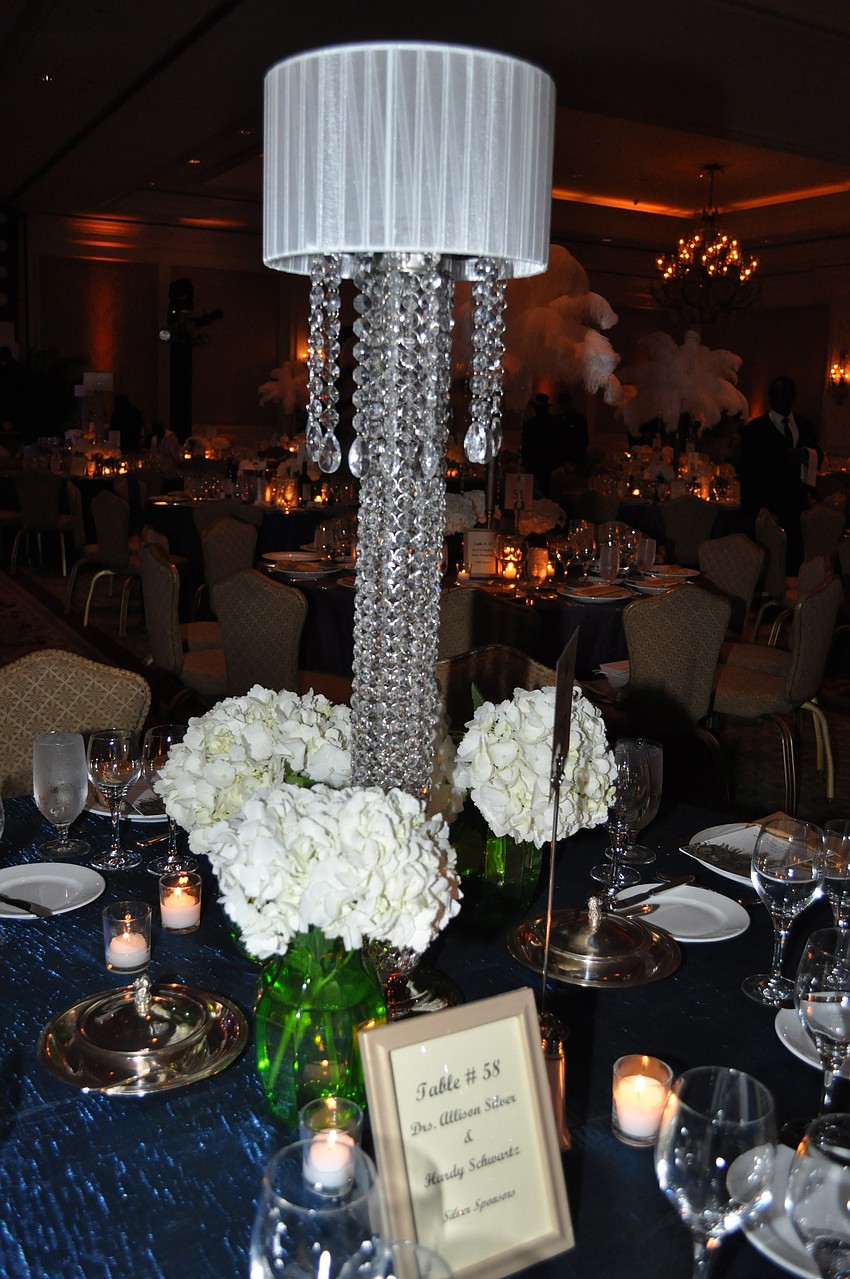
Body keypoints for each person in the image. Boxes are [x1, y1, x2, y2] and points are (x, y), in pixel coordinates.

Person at [739, 376, 821, 573]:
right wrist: (750, 511)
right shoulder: (755, 430)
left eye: (783, 394)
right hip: (767, 504)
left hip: (796, 503)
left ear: (792, 396)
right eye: (774, 395)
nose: (778, 399)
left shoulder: (804, 425)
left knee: (794, 558)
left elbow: (818, 455)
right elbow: (747, 471)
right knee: (768, 561)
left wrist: (807, 454)